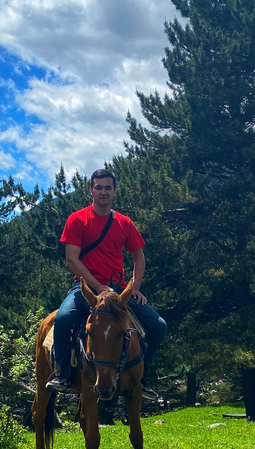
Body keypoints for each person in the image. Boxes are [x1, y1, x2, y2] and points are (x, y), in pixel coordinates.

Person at [46, 169, 167, 401]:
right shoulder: (77, 219)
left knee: (158, 325)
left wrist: (135, 288)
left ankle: (141, 377)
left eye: (108, 188)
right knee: (63, 319)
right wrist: (98, 287)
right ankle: (61, 372)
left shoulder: (124, 223)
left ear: (114, 191)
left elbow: (139, 257)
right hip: (86, 289)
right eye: (98, 187)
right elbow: (72, 259)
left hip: (119, 291)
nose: (103, 192)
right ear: (90, 190)